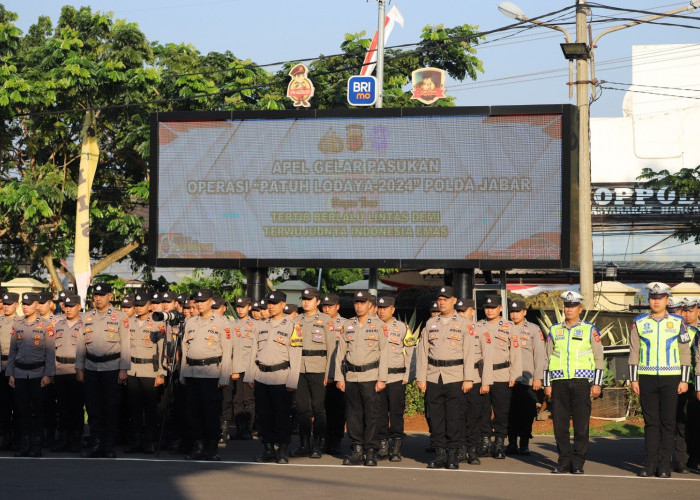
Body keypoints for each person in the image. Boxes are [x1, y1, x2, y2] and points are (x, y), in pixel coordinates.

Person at [629, 282, 691, 478]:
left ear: (667, 300)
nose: (656, 301)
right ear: (649, 300)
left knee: (668, 422)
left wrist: (684, 380)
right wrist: (633, 379)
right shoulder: (639, 321)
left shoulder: (678, 322)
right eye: (653, 298)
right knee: (650, 423)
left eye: (660, 298)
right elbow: (634, 351)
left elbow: (684, 352)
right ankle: (650, 464)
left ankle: (664, 465)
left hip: (671, 377)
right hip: (646, 377)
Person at [544, 291, 604, 474]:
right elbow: (547, 359)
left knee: (581, 425)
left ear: (580, 308)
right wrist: (547, 384)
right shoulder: (554, 330)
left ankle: (578, 462)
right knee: (560, 425)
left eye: (573, 306)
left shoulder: (590, 329)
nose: (569, 309)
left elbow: (599, 357)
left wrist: (597, 383)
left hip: (581, 382)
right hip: (559, 382)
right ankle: (563, 461)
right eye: (567, 306)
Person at [416, 286, 474, 470]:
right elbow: (423, 352)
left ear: (454, 300)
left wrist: (468, 378)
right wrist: (421, 377)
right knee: (435, 417)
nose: (442, 302)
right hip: (434, 376)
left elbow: (470, 352)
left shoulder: (465, 324)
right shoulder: (430, 323)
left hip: (455, 375)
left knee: (454, 417)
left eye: (445, 299)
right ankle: (440, 453)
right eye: (440, 299)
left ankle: (453, 455)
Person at [245, 291, 302, 464]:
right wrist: (250, 375)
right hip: (261, 376)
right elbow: (253, 352)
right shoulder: (259, 325)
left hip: (282, 377)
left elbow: (296, 355)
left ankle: (283, 449)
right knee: (264, 416)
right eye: (269, 303)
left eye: (275, 303)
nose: (270, 306)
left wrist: (292, 381)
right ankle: (268, 448)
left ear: (283, 305)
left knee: (282, 416)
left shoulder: (292, 326)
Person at [76, 282, 130, 458]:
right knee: (93, 408)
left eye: (101, 295)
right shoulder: (86, 317)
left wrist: (124, 368)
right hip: (91, 367)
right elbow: (80, 344)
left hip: (112, 368)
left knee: (111, 408)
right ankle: (95, 444)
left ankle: (108, 446)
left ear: (110, 296)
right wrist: (79, 367)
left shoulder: (120, 316)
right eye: (95, 295)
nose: (97, 298)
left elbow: (126, 344)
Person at [335, 290, 388, 466]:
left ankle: (371, 451)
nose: (358, 305)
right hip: (351, 376)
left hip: (371, 376)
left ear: (369, 305)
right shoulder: (348, 325)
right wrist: (339, 377)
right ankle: (357, 449)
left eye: (362, 302)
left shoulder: (379, 325)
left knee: (372, 415)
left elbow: (385, 352)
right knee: (353, 415)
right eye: (356, 302)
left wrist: (382, 378)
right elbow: (340, 353)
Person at [179, 289, 233, 461]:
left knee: (211, 413)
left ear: (211, 302)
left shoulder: (222, 322)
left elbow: (227, 350)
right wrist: (182, 373)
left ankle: (212, 448)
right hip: (192, 373)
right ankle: (198, 447)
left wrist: (225, 376)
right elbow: (184, 349)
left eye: (203, 301)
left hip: (212, 374)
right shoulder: (190, 322)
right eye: (197, 301)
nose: (199, 304)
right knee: (193, 414)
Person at [6, 292, 56, 457]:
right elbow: (13, 351)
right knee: (22, 411)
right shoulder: (17, 324)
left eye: (29, 304)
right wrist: (10, 373)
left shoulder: (46, 325)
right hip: (20, 373)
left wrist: (48, 374)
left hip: (38, 374)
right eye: (24, 304)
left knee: (39, 411)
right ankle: (25, 444)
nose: (26, 307)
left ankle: (36, 445)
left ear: (37, 304)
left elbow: (50, 353)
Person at [475, 295, 522, 459]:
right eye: (487, 307)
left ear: (500, 309)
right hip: (481, 375)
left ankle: (500, 444)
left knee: (502, 412)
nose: (489, 310)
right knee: (483, 411)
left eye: (493, 307)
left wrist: (514, 375)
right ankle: (486, 443)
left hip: (502, 374)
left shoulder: (510, 327)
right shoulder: (478, 326)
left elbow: (516, 353)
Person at [291, 288, 335, 459]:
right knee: (303, 409)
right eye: (304, 299)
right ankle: (304, 444)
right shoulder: (296, 320)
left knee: (319, 409)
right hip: (300, 368)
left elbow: (332, 348)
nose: (305, 302)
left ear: (318, 302)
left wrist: (329, 373)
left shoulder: (325, 320)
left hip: (319, 368)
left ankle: (317, 445)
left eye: (310, 299)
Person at [376, 295, 416, 462]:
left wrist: (409, 375)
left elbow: (412, 352)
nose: (382, 310)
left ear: (393, 309)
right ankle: (383, 446)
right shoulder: (372, 326)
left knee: (396, 414)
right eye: (380, 307)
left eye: (385, 308)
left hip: (397, 377)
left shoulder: (402, 328)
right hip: (377, 378)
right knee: (379, 414)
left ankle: (396, 448)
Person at [125, 292, 166, 454]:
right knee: (134, 409)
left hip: (150, 371)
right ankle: (135, 441)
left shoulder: (158, 323)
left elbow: (162, 350)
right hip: (132, 371)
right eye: (136, 305)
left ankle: (149, 442)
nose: (138, 308)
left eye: (142, 305)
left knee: (150, 410)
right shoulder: (129, 323)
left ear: (149, 306)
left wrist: (161, 373)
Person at [506, 299, 545, 456]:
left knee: (527, 413)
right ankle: (512, 443)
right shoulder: (505, 328)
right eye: (512, 311)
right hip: (508, 379)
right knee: (510, 413)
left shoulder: (534, 330)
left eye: (517, 311)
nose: (514, 314)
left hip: (527, 379)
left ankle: (524, 444)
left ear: (524, 312)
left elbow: (540, 355)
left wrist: (538, 377)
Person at [52, 294, 86, 453]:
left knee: (77, 407)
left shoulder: (85, 324)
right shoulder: (57, 324)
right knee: (62, 407)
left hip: (76, 370)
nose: (69, 309)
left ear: (79, 307)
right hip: (59, 370)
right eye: (66, 306)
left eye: (72, 306)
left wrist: (82, 370)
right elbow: (51, 349)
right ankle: (63, 437)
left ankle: (76, 438)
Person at [321, 292, 345, 455]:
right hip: (319, 372)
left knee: (337, 409)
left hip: (337, 373)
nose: (327, 308)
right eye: (324, 305)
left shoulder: (345, 324)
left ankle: (335, 440)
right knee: (321, 409)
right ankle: (323, 439)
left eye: (330, 306)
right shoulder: (317, 322)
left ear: (337, 307)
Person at [231, 297, 257, 440]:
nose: (240, 309)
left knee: (249, 400)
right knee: (237, 400)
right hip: (235, 368)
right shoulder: (231, 324)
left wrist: (253, 372)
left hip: (249, 369)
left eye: (243, 306)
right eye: (238, 306)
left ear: (249, 307)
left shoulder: (255, 325)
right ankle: (240, 429)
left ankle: (248, 429)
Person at [681, 298, 699, 470]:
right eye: (684, 310)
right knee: (689, 422)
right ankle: (689, 457)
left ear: (697, 311)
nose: (687, 314)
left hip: (696, 382)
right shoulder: (680, 329)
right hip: (687, 382)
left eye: (690, 310)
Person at [0, 292, 19, 449]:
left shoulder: (22, 322)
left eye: (10, 304)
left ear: (17, 305)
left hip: (17, 368)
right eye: (4, 304)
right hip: (1, 367)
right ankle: (6, 437)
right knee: (3, 405)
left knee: (18, 405)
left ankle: (18, 438)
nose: (6, 306)